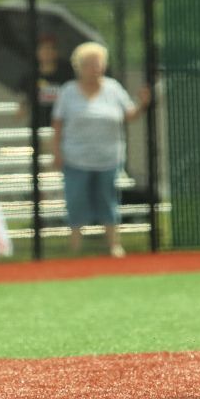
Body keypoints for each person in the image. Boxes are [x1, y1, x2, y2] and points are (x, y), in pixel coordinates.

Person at [51, 41, 150, 258]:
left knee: (108, 200)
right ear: (80, 66)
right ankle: (75, 247)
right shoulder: (68, 92)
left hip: (108, 158)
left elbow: (129, 114)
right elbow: (57, 125)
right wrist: (56, 152)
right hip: (76, 158)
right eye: (91, 64)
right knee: (76, 199)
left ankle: (114, 245)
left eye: (99, 63)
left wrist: (142, 104)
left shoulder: (113, 88)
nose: (96, 68)